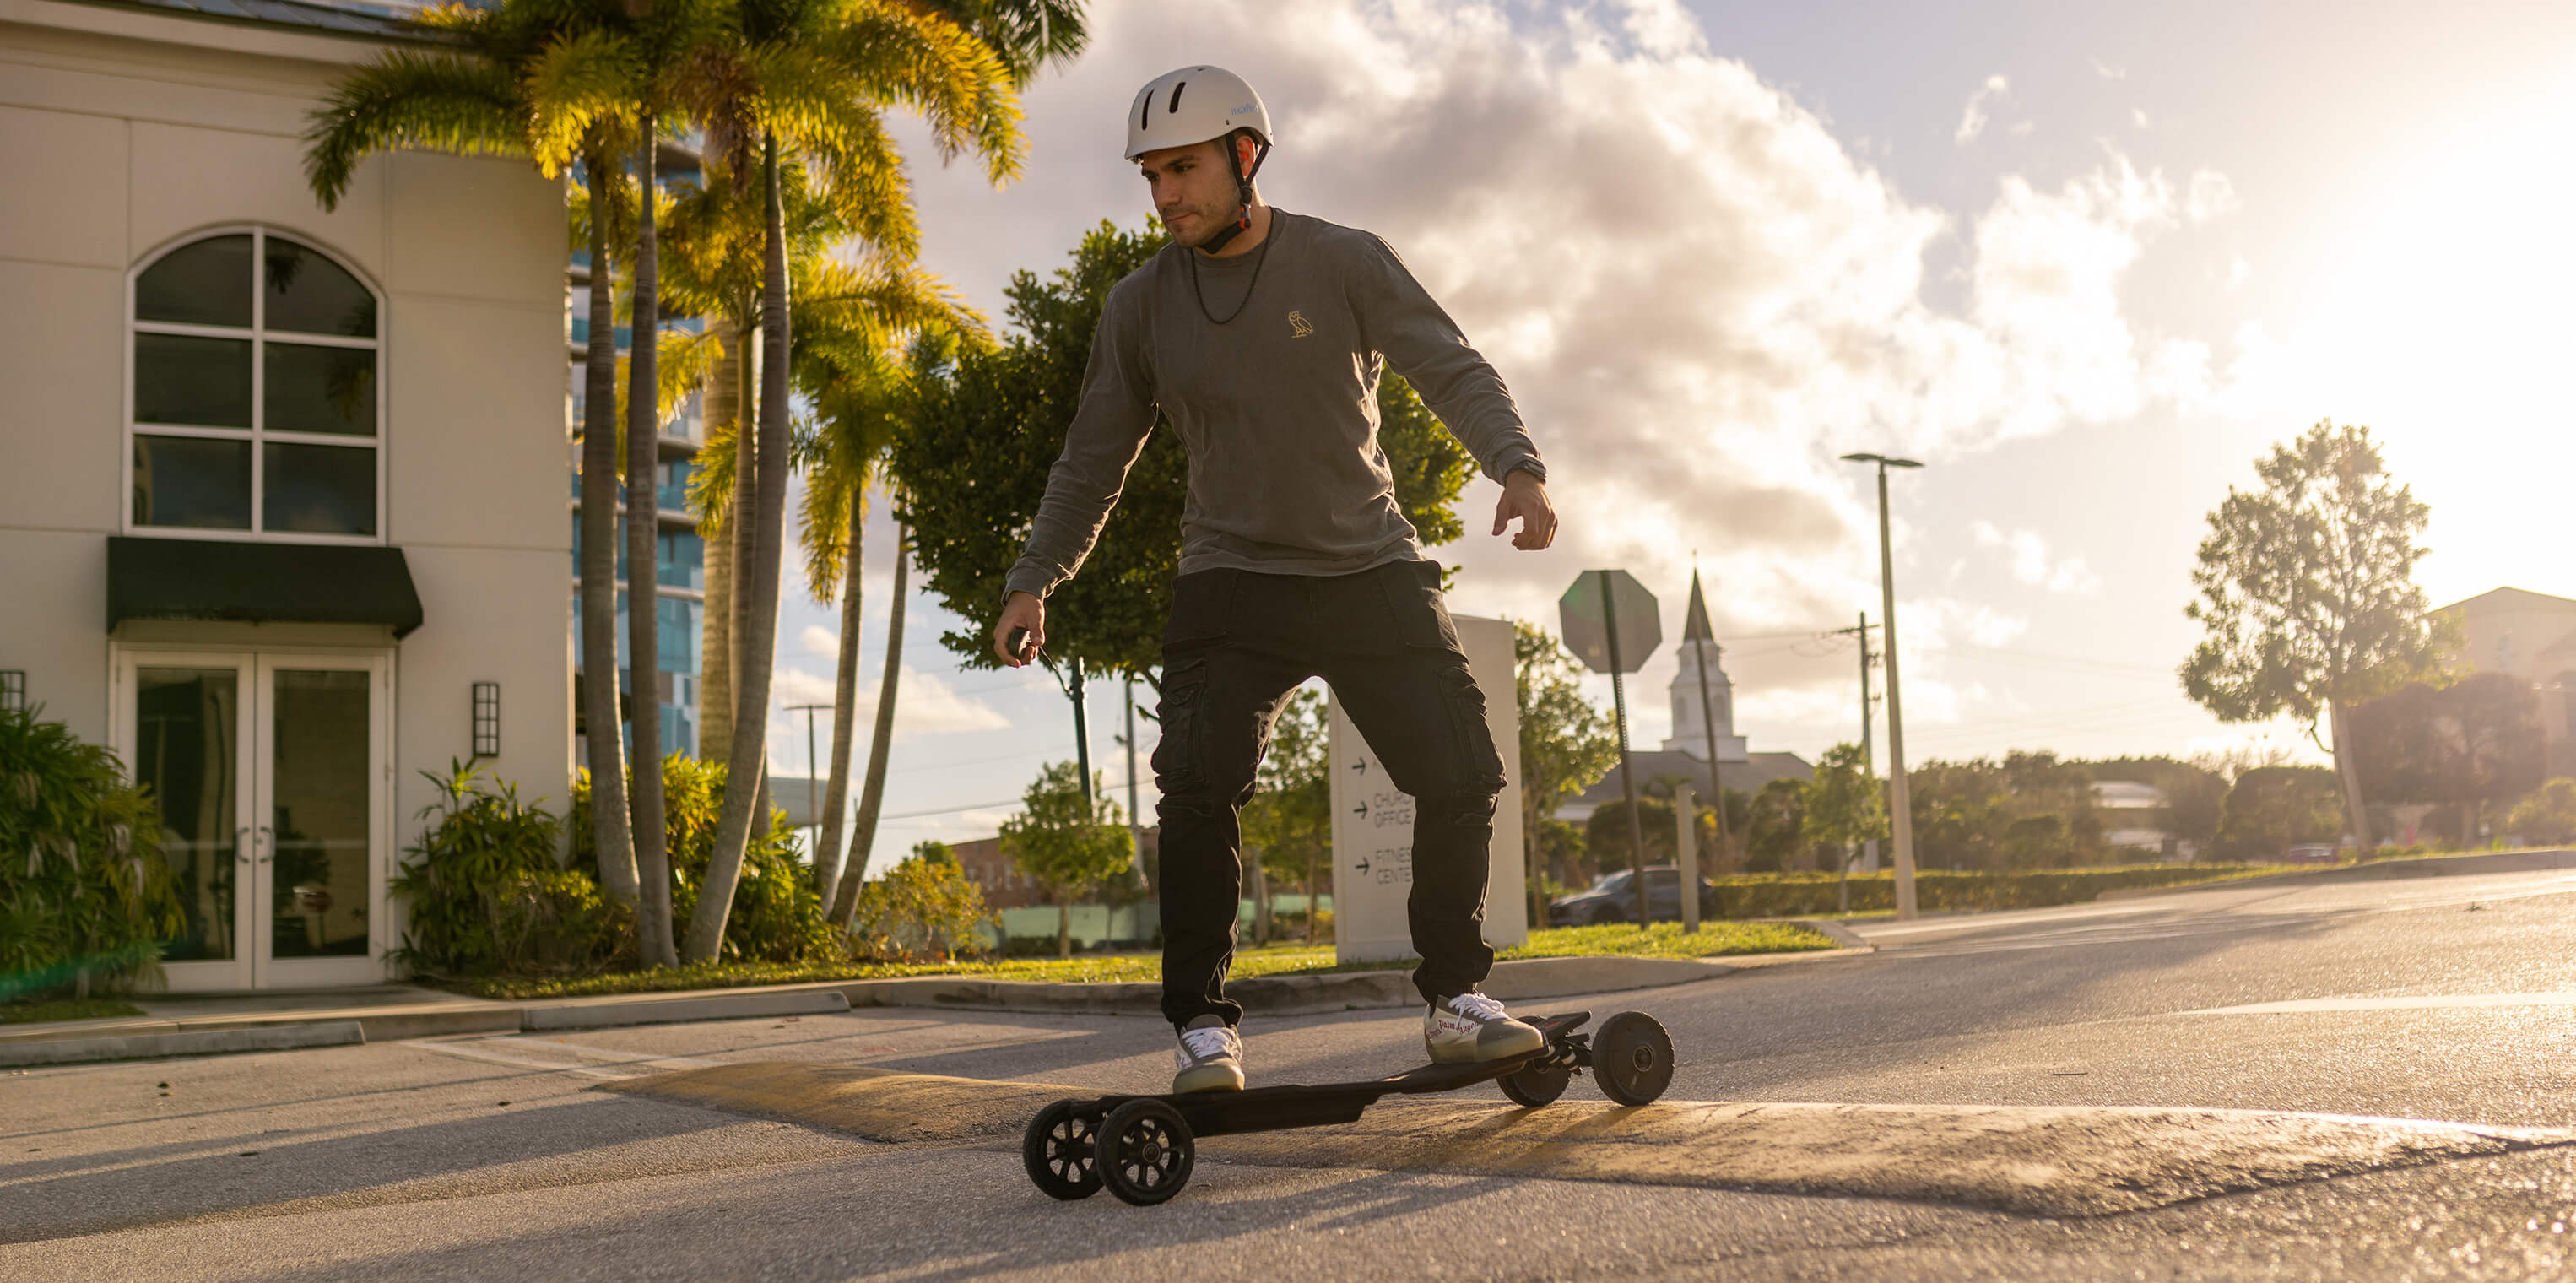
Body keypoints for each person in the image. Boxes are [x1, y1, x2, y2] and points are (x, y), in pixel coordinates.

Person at [992, 66, 1559, 1094]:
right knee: (1197, 788)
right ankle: (1203, 1029)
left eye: (1185, 169)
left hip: (1366, 565)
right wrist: (1036, 578)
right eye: (1151, 176)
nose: (1166, 195)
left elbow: (1448, 363)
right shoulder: (1140, 306)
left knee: (1461, 771)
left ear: (1245, 157)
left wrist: (1514, 465)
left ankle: (1454, 998)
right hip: (1229, 580)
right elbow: (1092, 457)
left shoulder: (1342, 260)